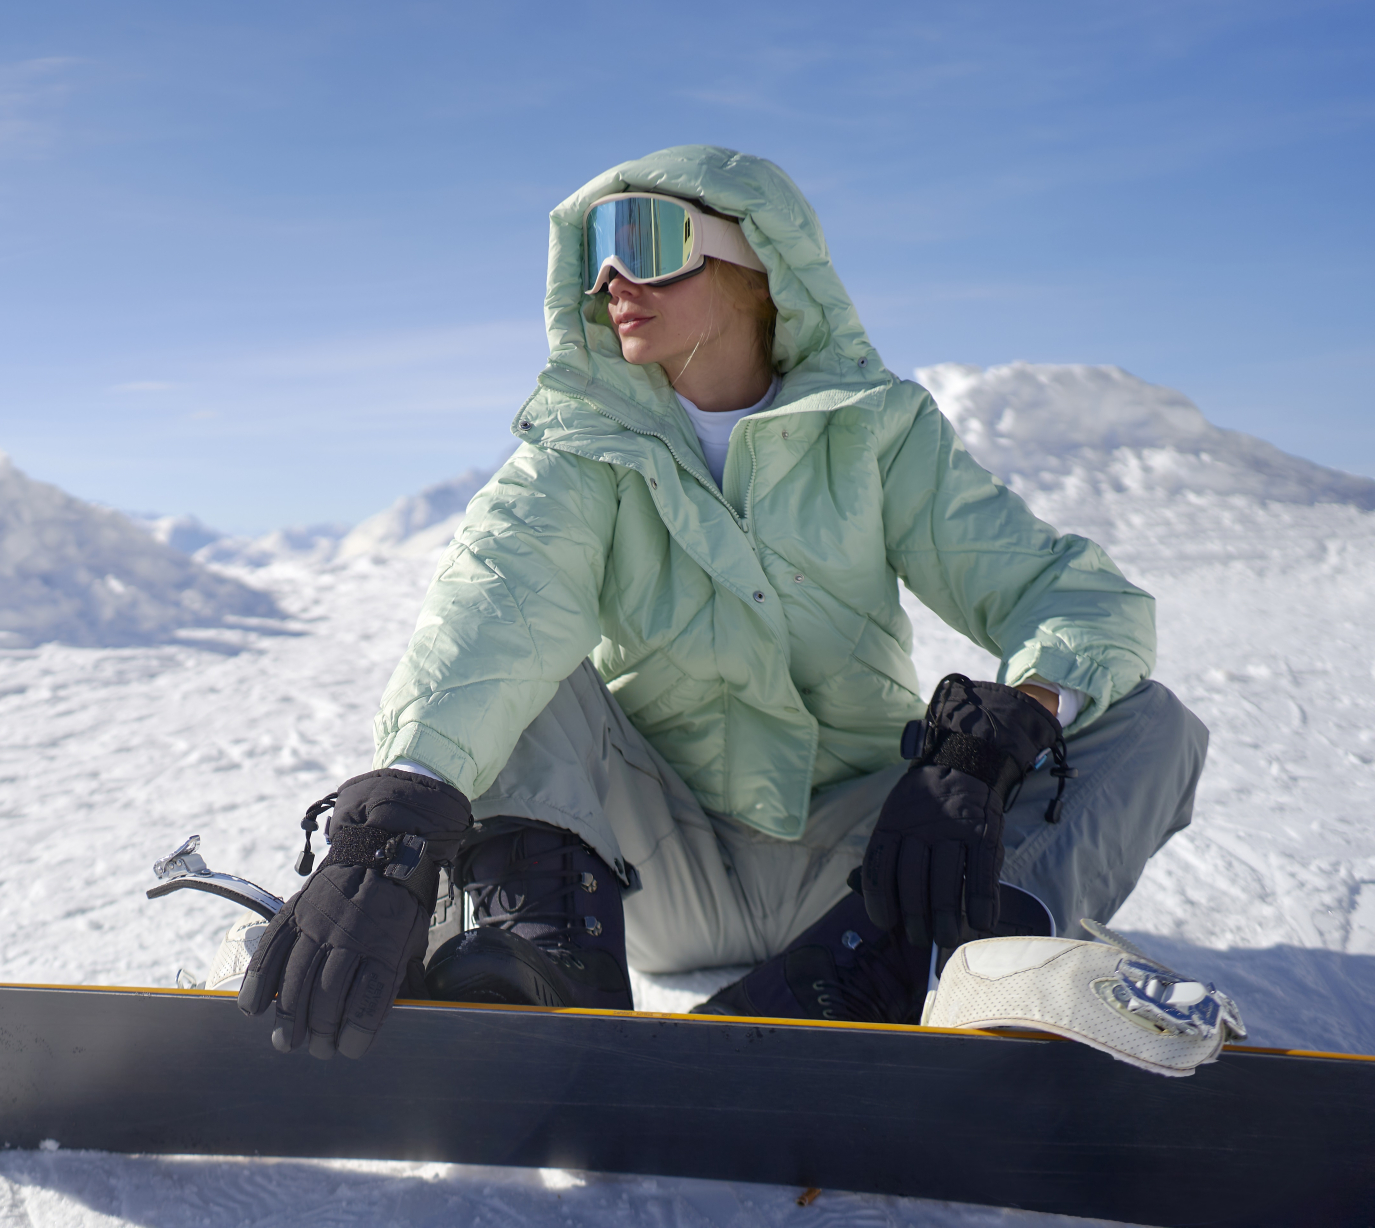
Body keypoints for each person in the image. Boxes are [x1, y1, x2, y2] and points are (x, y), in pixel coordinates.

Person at [237, 145, 1207, 1061]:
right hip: (653, 864)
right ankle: (543, 965)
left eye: (645, 244)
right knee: (530, 677)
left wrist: (998, 735)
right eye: (594, 259)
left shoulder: (878, 433)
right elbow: (495, 608)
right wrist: (397, 815)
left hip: (878, 869)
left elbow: (1072, 595)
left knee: (1145, 719)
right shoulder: (582, 450)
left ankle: (967, 954)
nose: (611, 280)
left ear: (756, 260)